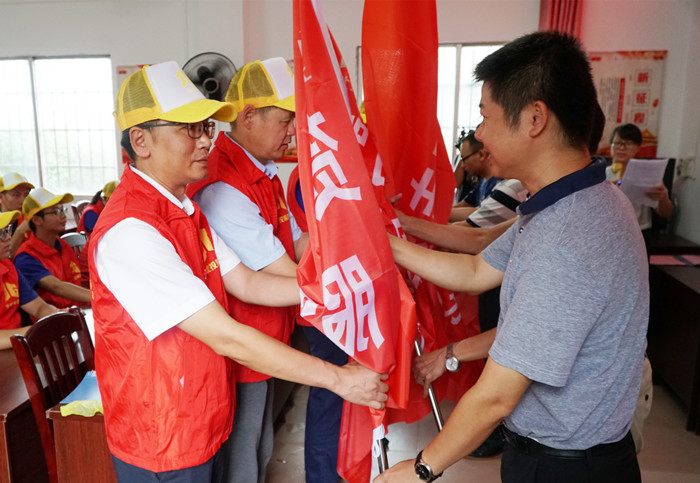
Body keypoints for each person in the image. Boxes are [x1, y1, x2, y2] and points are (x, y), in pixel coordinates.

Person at [92, 60, 387, 482]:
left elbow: (249, 282)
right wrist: (338, 379)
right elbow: (225, 334)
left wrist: (338, 289)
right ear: (141, 140)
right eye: (190, 129)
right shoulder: (131, 231)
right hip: (164, 437)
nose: (205, 141)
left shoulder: (185, 211)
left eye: (207, 127)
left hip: (201, 415)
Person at [377, 31, 648, 483]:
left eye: (486, 116)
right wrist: (384, 242)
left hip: (568, 467)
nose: (480, 134)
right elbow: (474, 269)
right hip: (566, 453)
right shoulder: (562, 203)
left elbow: (496, 396)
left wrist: (421, 467)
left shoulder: (568, 236)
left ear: (534, 118)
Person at [186, 57, 307, 483]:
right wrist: (340, 283)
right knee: (244, 456)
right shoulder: (223, 187)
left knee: (261, 446)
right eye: (285, 120)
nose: (291, 132)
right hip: (244, 344)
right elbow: (281, 271)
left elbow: (297, 245)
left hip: (269, 334)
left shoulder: (264, 172)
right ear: (249, 116)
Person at [14, 188, 90, 309]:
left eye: (62, 210)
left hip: (78, 311)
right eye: (56, 212)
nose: (63, 216)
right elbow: (57, 287)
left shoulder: (63, 246)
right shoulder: (25, 257)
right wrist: (98, 297)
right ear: (37, 220)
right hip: (54, 318)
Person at [606, 123, 673, 251]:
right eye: (617, 143)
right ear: (611, 146)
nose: (622, 147)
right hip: (609, 233)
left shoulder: (648, 175)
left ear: (637, 148)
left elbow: (666, 213)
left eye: (628, 143)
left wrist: (663, 198)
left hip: (639, 233)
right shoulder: (602, 175)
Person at [0, 210, 61, 349]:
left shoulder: (8, 266)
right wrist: (31, 331)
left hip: (16, 344)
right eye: (1, 234)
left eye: (7, 230)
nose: (8, 237)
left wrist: (57, 315)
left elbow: (38, 307)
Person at [449, 128, 501, 222]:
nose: (462, 165)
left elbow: (480, 214)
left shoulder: (500, 183)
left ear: (481, 155)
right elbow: (463, 205)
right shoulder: (483, 181)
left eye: (464, 159)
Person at [0, 172, 34, 257]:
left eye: (26, 195)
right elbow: (4, 257)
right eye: (16, 195)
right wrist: (20, 231)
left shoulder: (29, 218)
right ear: (1, 196)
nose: (23, 201)